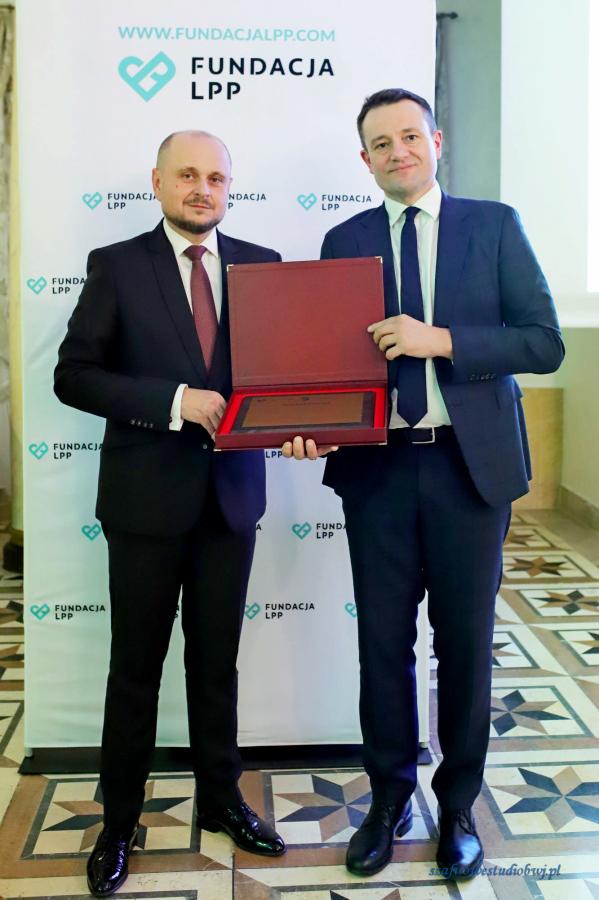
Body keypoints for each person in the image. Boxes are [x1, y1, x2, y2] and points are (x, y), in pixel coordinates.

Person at [283, 88, 564, 879]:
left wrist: (437, 340)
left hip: (467, 469)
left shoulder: (494, 225)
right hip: (376, 469)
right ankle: (386, 799)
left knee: (464, 644)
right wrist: (313, 425)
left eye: (410, 135)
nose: (397, 151)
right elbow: (328, 364)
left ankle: (459, 805)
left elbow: (542, 343)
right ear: (363, 159)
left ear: (435, 142)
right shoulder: (343, 239)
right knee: (381, 644)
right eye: (381, 143)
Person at [55, 130, 285, 897]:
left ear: (229, 187)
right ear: (156, 182)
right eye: (187, 174)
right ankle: (119, 822)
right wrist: (174, 401)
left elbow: (281, 380)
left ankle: (221, 799)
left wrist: (306, 423)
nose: (202, 189)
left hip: (231, 502)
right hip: (144, 504)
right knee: (135, 670)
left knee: (215, 667)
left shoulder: (262, 267)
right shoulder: (119, 265)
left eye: (216, 177)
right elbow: (74, 375)